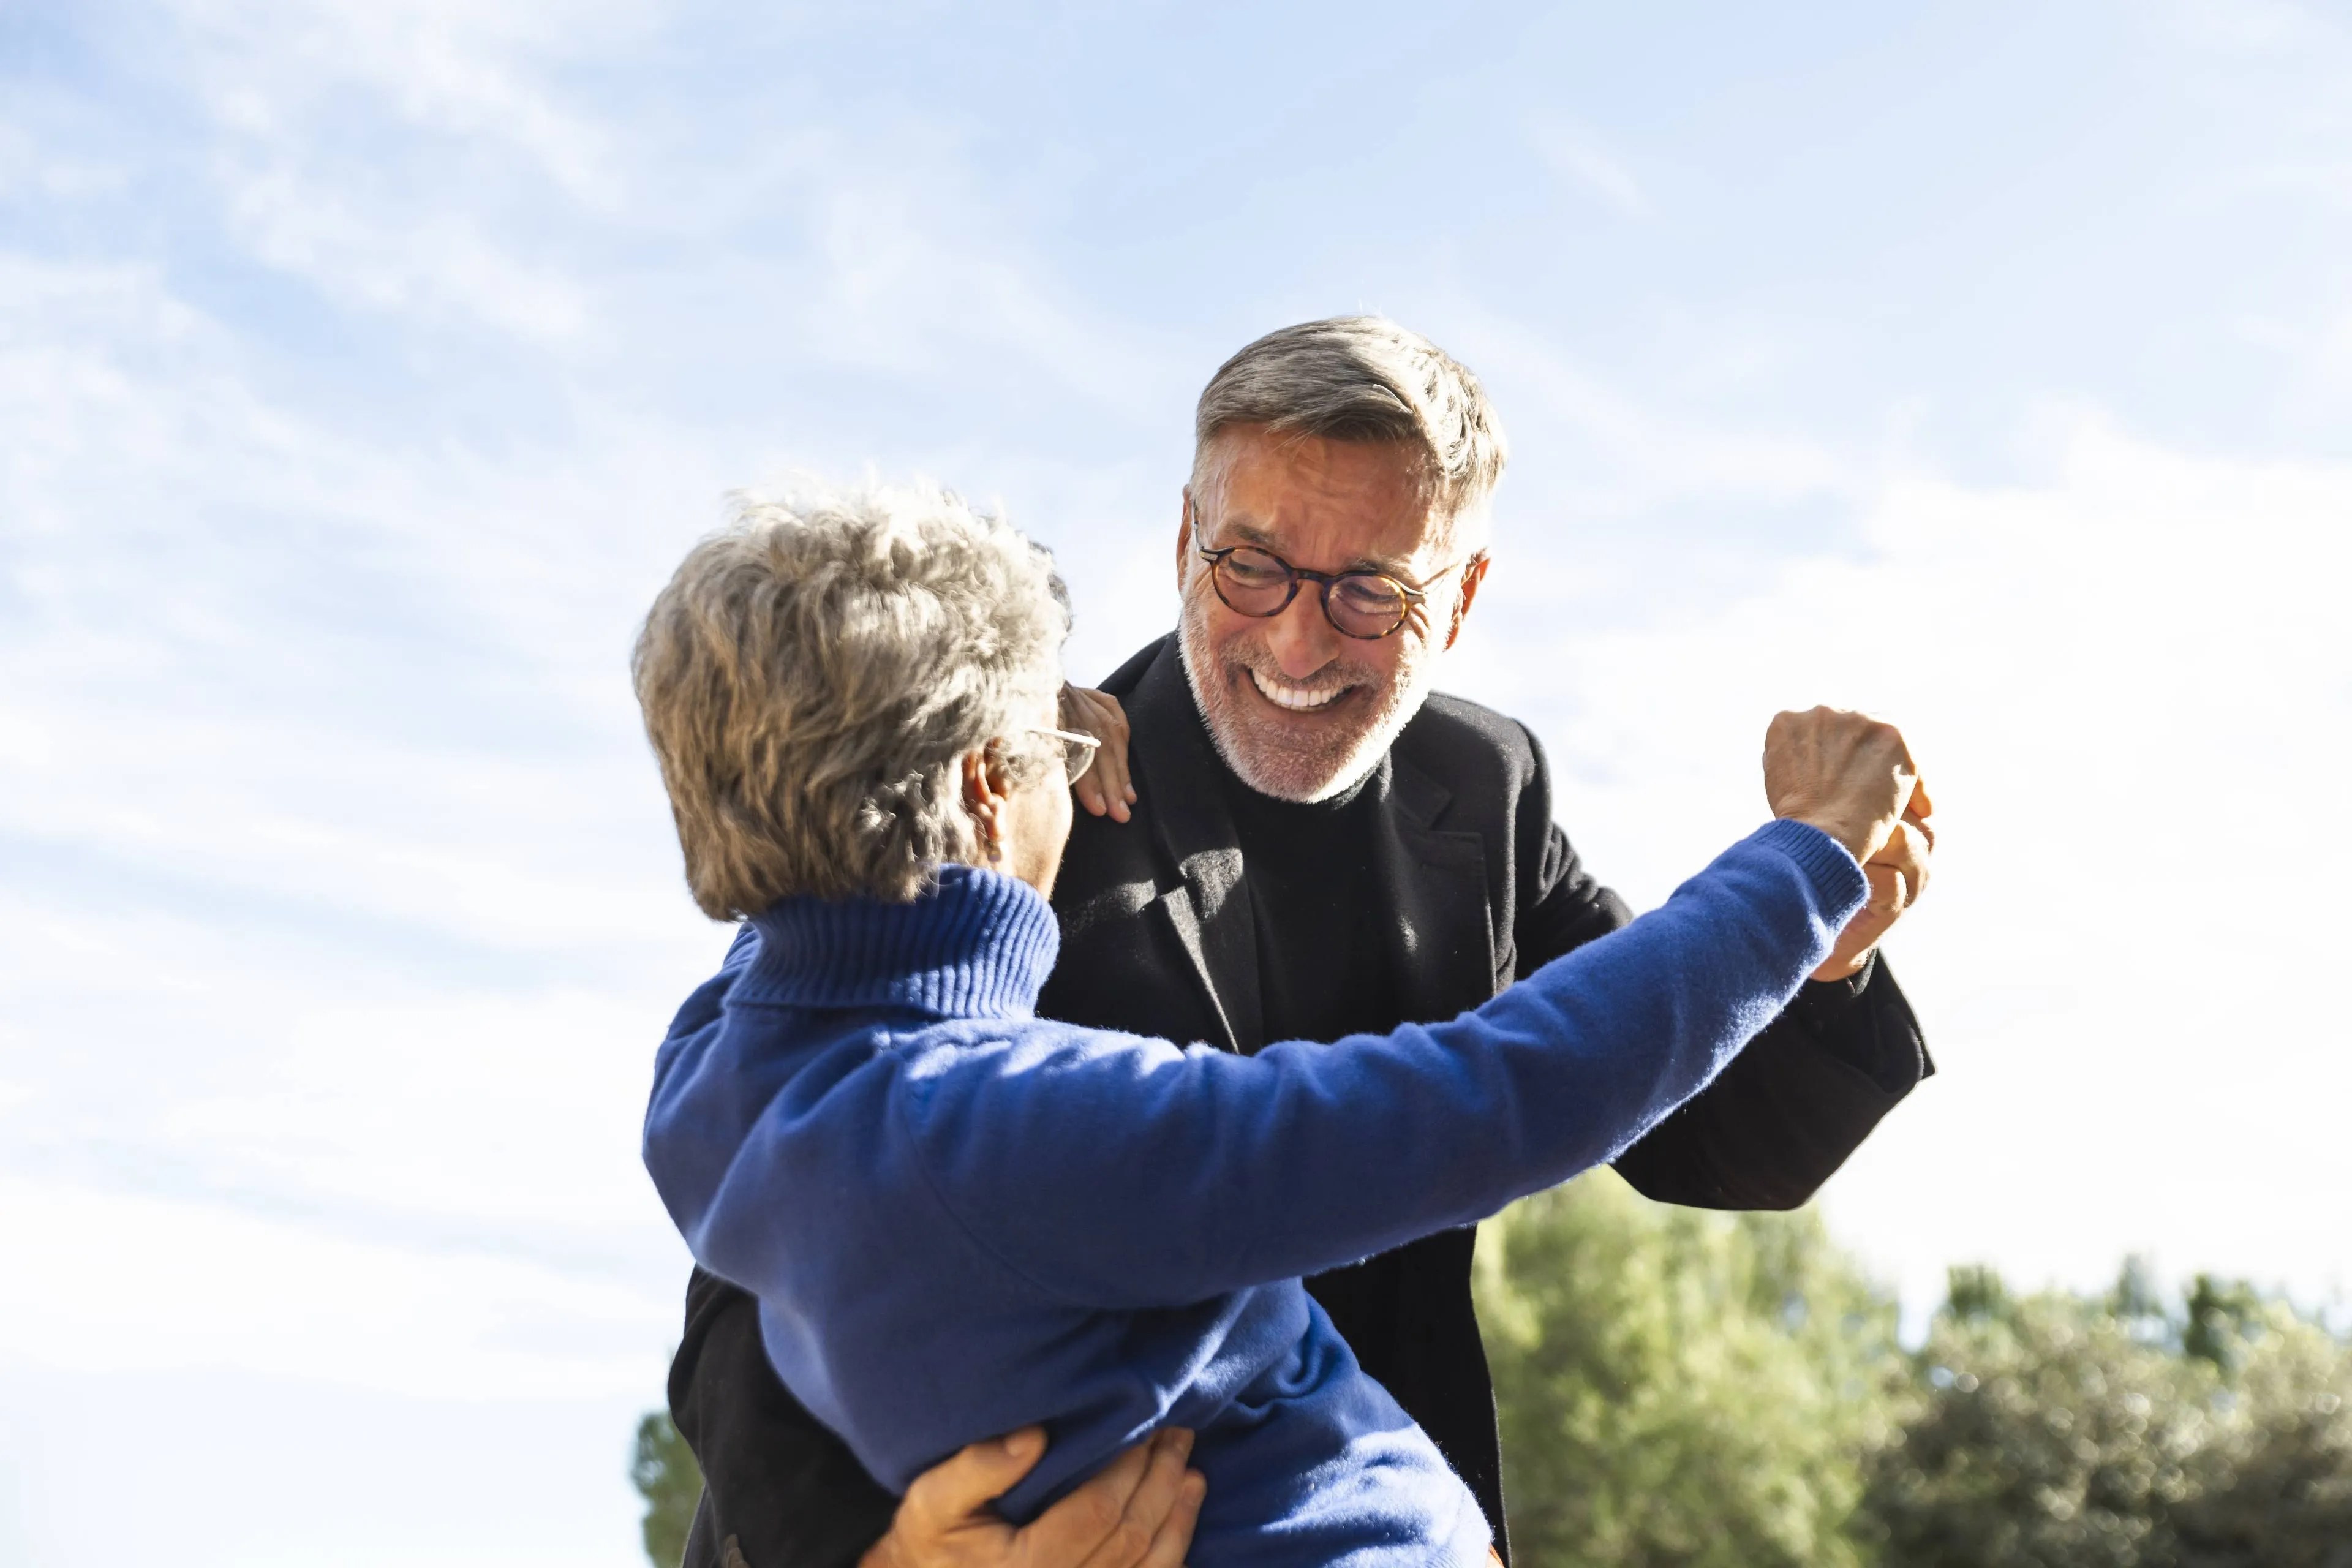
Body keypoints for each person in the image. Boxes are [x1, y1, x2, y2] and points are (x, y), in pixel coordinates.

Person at [666, 318, 1937, 1568]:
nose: (1296, 638)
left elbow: (1689, 1119)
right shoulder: (1001, 806)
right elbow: (774, 1190)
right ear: (1184, 539)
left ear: (1463, 594)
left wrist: (1822, 944)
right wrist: (881, 1555)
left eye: (1369, 591)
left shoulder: (1487, 788)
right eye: (1252, 566)